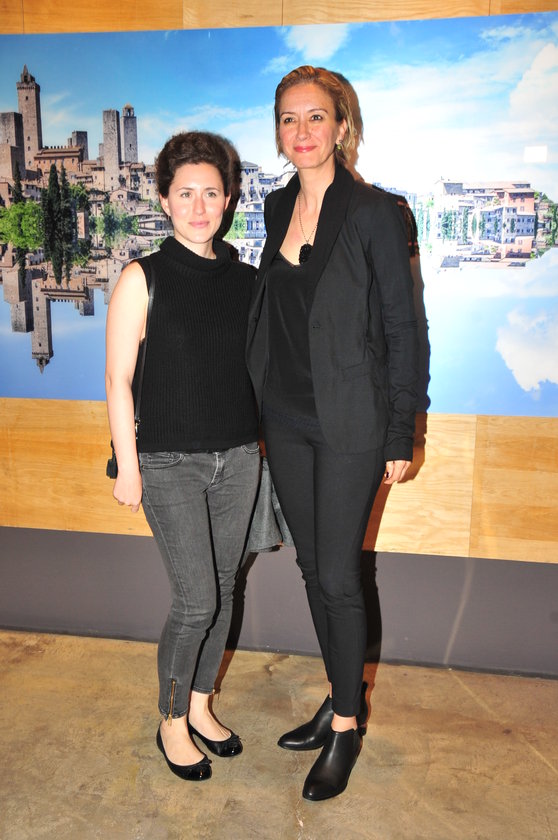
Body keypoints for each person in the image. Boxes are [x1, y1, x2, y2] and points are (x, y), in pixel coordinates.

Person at [246, 66, 418, 801]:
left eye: (316, 116)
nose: (302, 131)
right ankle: (338, 693)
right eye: (289, 118)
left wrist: (402, 431)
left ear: (342, 125)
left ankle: (347, 725)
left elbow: (403, 327)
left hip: (351, 422)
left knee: (341, 576)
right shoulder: (275, 204)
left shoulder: (376, 212)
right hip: (284, 419)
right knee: (313, 568)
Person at [105, 131, 260, 782]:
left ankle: (200, 704)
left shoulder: (248, 281)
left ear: (228, 200)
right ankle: (171, 720)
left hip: (241, 458)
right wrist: (128, 466)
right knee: (196, 602)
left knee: (224, 591)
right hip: (168, 463)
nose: (199, 207)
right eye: (186, 193)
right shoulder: (142, 278)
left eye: (212, 193)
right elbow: (118, 379)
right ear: (165, 201)